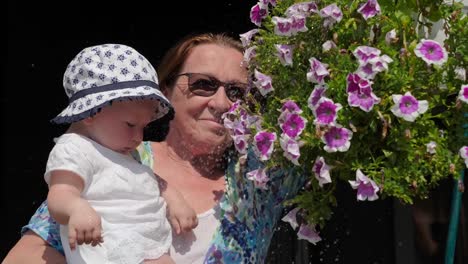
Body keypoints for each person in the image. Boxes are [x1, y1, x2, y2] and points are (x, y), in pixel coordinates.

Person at [4, 33, 307, 264]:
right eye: (203, 84)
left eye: (236, 92)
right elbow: (29, 254)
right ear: (164, 92)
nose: (220, 103)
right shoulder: (113, 157)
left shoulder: (258, 183)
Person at [38, 43, 197, 264]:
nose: (139, 137)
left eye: (144, 126)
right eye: (131, 124)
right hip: (109, 247)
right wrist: (75, 208)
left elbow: (149, 180)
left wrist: (176, 201)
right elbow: (60, 193)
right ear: (90, 112)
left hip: (149, 246)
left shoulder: (122, 151)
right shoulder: (75, 148)